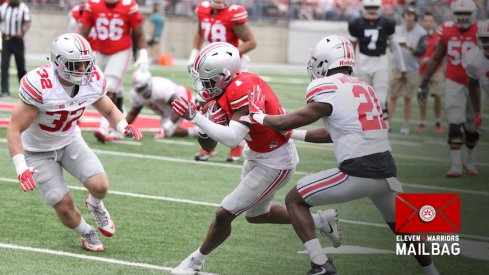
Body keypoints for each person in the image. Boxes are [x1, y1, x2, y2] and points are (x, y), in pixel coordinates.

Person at [249, 35, 439, 275]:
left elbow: (289, 119)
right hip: (387, 171)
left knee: (294, 200)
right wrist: (292, 135)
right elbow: (334, 132)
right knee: (402, 227)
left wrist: (257, 116)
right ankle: (432, 271)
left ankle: (320, 263)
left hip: (358, 172)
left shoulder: (326, 86)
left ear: (324, 61)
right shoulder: (364, 86)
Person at [170, 42, 340, 275]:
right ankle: (322, 222)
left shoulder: (243, 87)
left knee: (224, 213)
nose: (204, 86)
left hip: (275, 160)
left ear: (225, 75)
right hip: (258, 154)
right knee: (258, 215)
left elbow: (232, 139)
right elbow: (208, 145)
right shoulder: (226, 88)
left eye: (208, 80)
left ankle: (195, 261)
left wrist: (197, 118)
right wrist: (203, 124)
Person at [6, 33, 143, 252]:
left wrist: (121, 126)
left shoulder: (92, 78)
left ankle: (95, 204)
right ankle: (87, 232)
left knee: (100, 186)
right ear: (58, 63)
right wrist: (21, 167)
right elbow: (14, 128)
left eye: (85, 64)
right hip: (38, 151)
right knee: (64, 206)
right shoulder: (40, 84)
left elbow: (108, 108)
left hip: (69, 140)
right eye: (76, 65)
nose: (82, 70)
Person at [187, 0, 257, 162]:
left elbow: (251, 42)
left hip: (228, 67)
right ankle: (208, 146)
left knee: (231, 105)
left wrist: (227, 55)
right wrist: (194, 53)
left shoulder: (234, 13)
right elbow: (199, 32)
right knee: (204, 105)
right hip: (208, 66)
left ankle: (236, 145)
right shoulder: (203, 9)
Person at [418, 0, 479, 177]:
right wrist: (425, 81)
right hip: (453, 80)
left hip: (476, 83)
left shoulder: (481, 31)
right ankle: (455, 165)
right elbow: (436, 58)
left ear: (473, 14)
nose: (462, 18)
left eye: (465, 14)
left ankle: (469, 160)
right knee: (454, 122)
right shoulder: (446, 30)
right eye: (459, 14)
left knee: (472, 125)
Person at [79, 0, 149, 143]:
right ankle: (119, 113)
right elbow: (83, 32)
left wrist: (143, 53)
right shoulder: (93, 4)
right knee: (87, 83)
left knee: (109, 88)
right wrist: (78, 50)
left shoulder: (128, 6)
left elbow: (139, 33)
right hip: (98, 50)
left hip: (121, 50)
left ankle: (104, 129)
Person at [348, 0, 406, 124]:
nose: (372, 10)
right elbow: (352, 46)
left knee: (380, 99)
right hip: (363, 63)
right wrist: (350, 66)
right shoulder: (356, 22)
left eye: (374, 7)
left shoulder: (387, 22)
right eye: (369, 7)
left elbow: (394, 46)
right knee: (363, 99)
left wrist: (402, 67)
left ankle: (384, 124)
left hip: (381, 62)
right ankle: (366, 125)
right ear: (364, 7)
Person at [126, 69, 199, 139]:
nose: (141, 92)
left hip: (185, 101)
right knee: (168, 132)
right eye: (139, 89)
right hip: (169, 110)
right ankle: (195, 132)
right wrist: (124, 127)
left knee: (166, 129)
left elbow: (180, 106)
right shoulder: (135, 94)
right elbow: (133, 112)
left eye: (142, 88)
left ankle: (200, 130)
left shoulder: (160, 87)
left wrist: (166, 127)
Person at [388, 7, 426, 135]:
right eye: (407, 15)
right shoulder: (397, 30)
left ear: (415, 17)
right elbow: (391, 46)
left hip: (411, 68)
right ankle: (388, 122)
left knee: (407, 98)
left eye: (411, 15)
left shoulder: (421, 32)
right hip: (397, 67)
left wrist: (411, 47)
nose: (409, 18)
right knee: (392, 96)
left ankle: (406, 124)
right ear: (404, 16)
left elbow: (422, 51)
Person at [416, 11, 444, 134]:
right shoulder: (420, 36)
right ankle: (422, 121)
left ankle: (438, 120)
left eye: (430, 20)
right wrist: (420, 59)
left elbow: (442, 53)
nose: (428, 23)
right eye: (426, 20)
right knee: (422, 97)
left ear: (434, 22)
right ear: (423, 22)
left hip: (436, 70)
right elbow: (417, 52)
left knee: (437, 95)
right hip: (422, 71)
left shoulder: (439, 35)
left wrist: (430, 59)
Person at [0, 0, 31, 97]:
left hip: (18, 41)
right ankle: (4, 90)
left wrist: (22, 31)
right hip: (6, 39)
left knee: (20, 66)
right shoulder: (3, 7)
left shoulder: (23, 8)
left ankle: (25, 90)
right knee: (4, 65)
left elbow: (27, 22)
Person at [463, 20, 489, 131]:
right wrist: (477, 112)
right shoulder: (473, 59)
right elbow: (473, 84)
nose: (488, 43)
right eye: (485, 39)